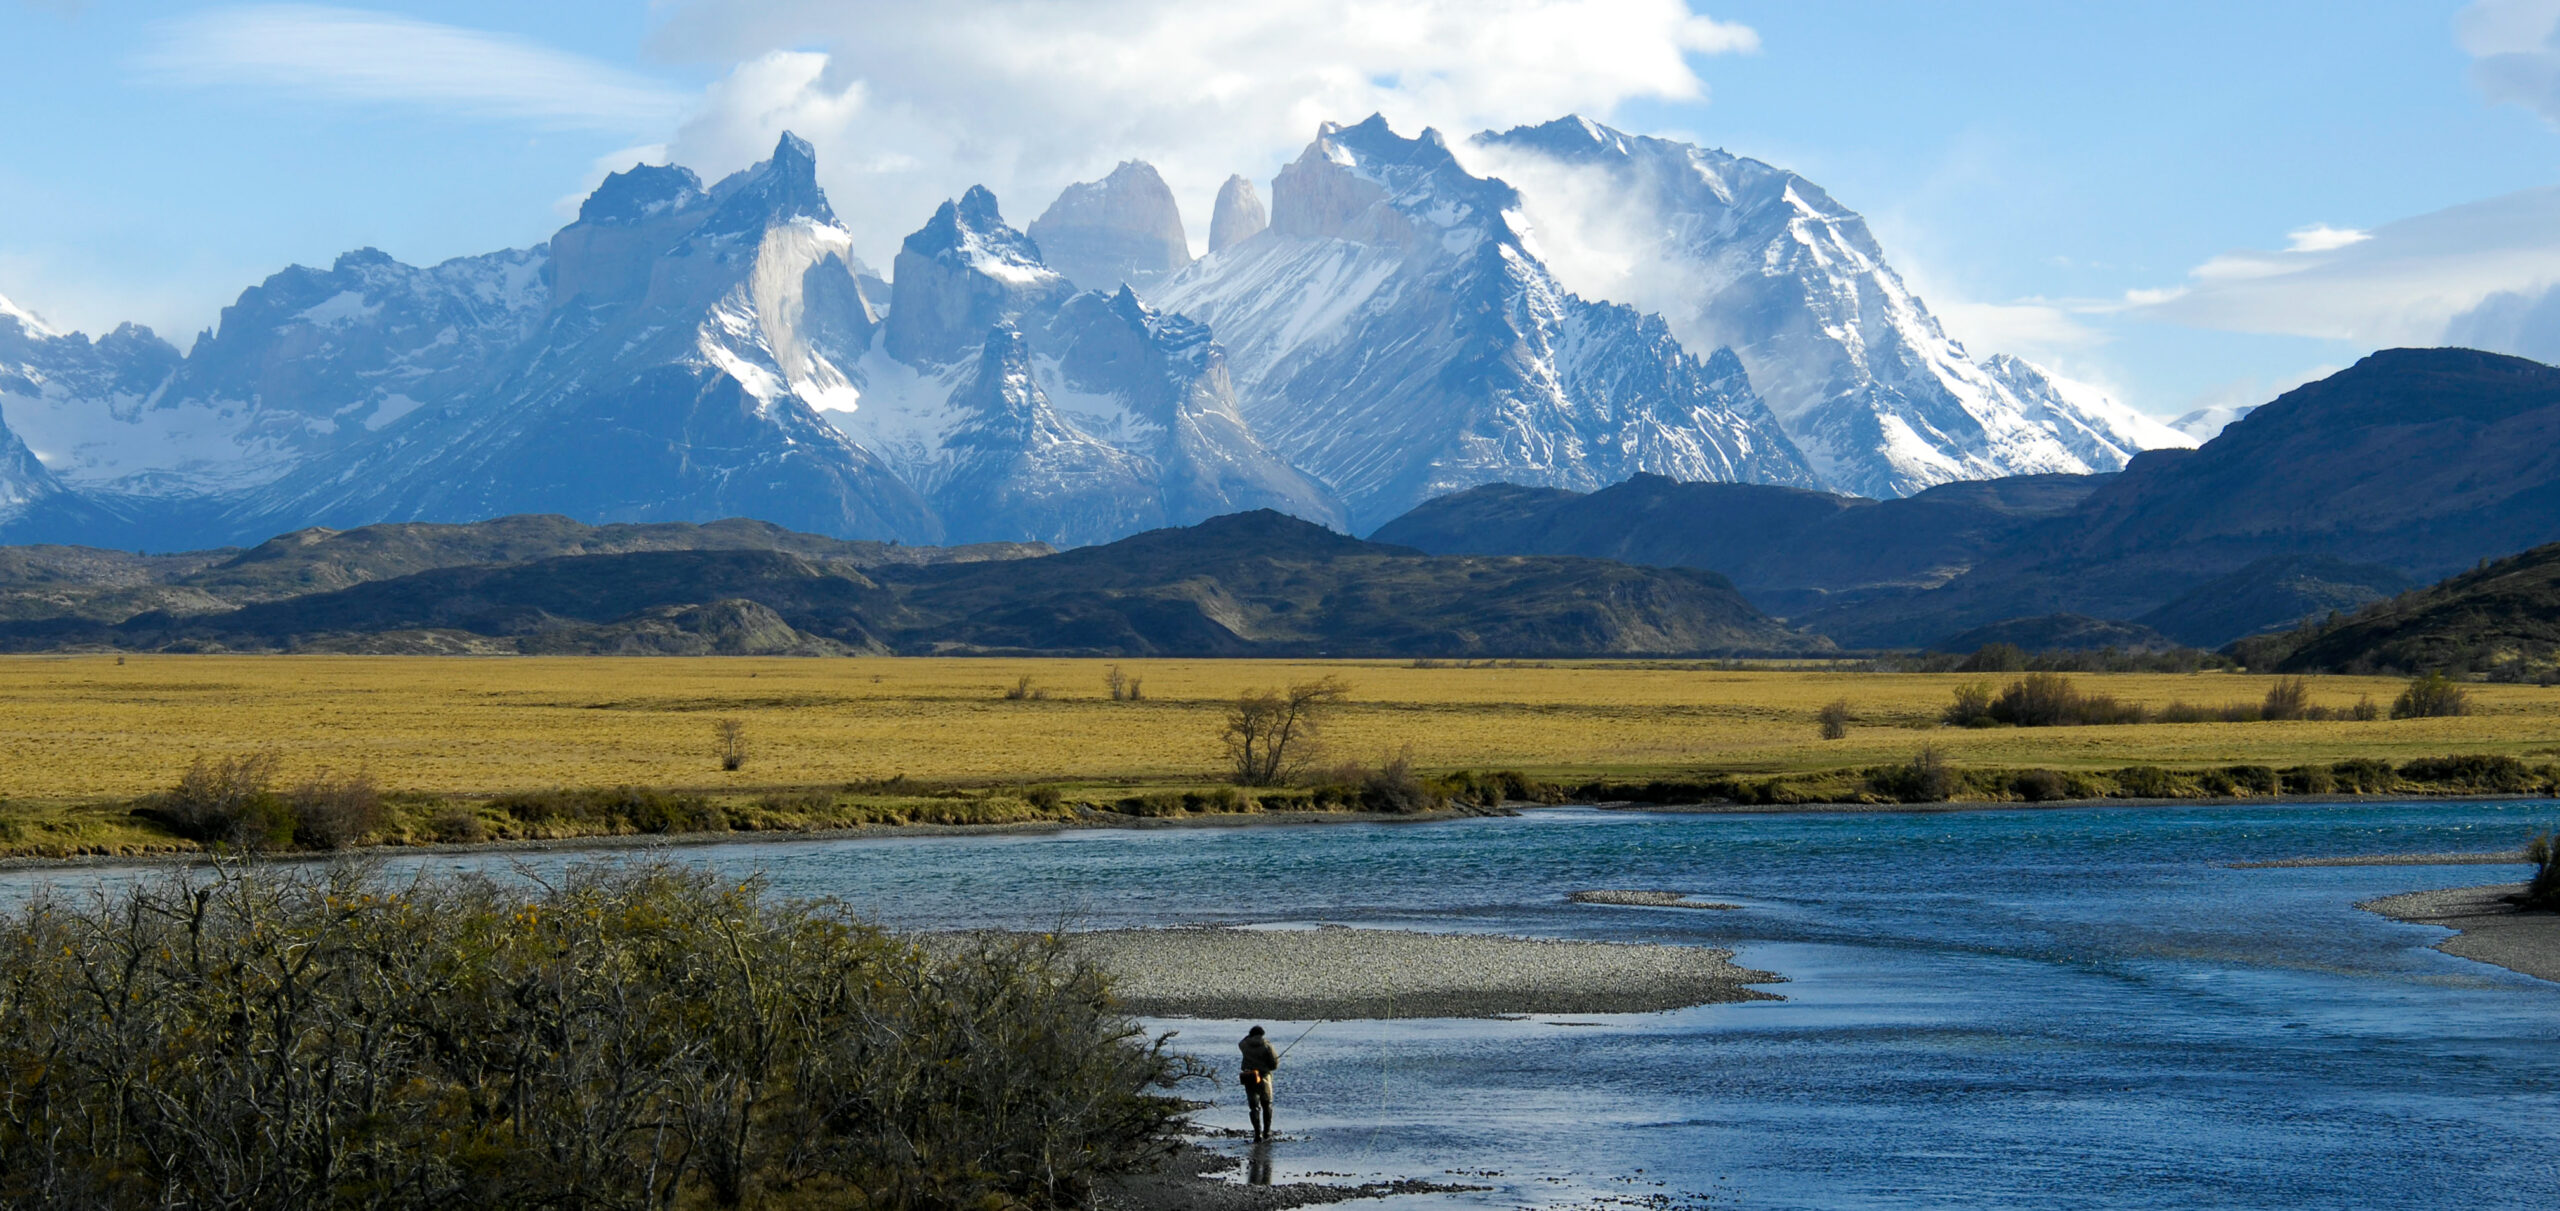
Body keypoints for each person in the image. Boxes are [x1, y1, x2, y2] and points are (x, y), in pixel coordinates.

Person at [1239, 1025, 1281, 1139]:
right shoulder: (1266, 1045)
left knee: (1254, 1107)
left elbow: (1242, 1041)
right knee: (1267, 1104)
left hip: (1249, 1077)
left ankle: (1257, 1133)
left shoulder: (1244, 1045)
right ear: (1262, 1034)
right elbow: (1274, 1064)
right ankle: (1267, 1132)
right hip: (1264, 1077)